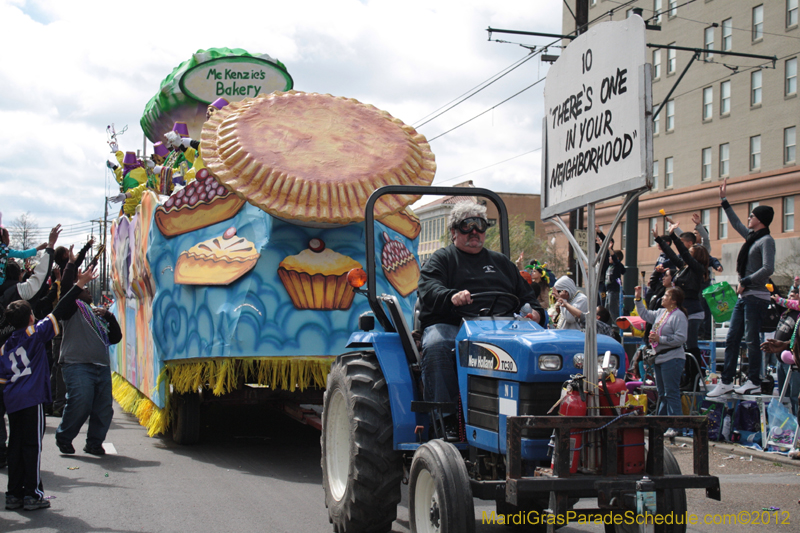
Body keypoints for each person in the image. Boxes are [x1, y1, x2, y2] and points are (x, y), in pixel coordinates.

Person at [417, 202, 544, 429]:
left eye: (480, 226)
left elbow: (527, 298)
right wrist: (451, 296)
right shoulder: (442, 259)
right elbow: (429, 289)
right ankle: (445, 421)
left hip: (500, 327)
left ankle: (534, 416)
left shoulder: (502, 263)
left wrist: (536, 313)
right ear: (454, 232)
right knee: (438, 344)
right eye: (467, 226)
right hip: (452, 324)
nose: (474, 232)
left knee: (539, 347)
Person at [0, 265, 96, 511]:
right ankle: (32, 494)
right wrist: (80, 284)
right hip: (32, 400)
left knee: (15, 445)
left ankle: (13, 493)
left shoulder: (5, 347)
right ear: (31, 317)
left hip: (12, 402)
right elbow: (60, 309)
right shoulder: (34, 334)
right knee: (32, 446)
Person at [708, 179, 775, 397]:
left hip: (756, 296)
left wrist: (745, 281)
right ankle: (726, 381)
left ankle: (753, 380)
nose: (749, 218)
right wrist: (724, 201)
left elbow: (768, 268)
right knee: (732, 337)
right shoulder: (752, 237)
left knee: (751, 339)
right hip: (745, 296)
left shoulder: (767, 241)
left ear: (761, 220)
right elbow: (736, 223)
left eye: (753, 216)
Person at [55, 256, 122, 456]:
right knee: (81, 401)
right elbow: (65, 294)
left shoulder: (96, 313)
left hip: (100, 366)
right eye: (85, 289)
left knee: (103, 409)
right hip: (77, 364)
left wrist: (110, 316)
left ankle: (94, 443)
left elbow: (115, 338)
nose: (89, 292)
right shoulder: (72, 309)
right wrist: (74, 269)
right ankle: (64, 437)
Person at [654, 224, 710, 390]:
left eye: (691, 255)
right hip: (684, 312)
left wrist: (673, 237)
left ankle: (694, 380)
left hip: (693, 312)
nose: (686, 256)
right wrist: (659, 239)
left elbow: (684, 253)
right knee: (685, 346)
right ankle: (687, 378)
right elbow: (673, 254)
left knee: (691, 345)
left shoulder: (697, 269)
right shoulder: (684, 268)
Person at [634, 285, 688, 438]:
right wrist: (638, 298)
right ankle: (661, 423)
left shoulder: (679, 316)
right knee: (662, 393)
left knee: (671, 391)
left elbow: (681, 338)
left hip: (672, 358)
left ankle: (676, 425)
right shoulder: (661, 313)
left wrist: (660, 339)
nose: (662, 298)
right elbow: (644, 314)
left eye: (666, 296)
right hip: (659, 357)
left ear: (673, 301)